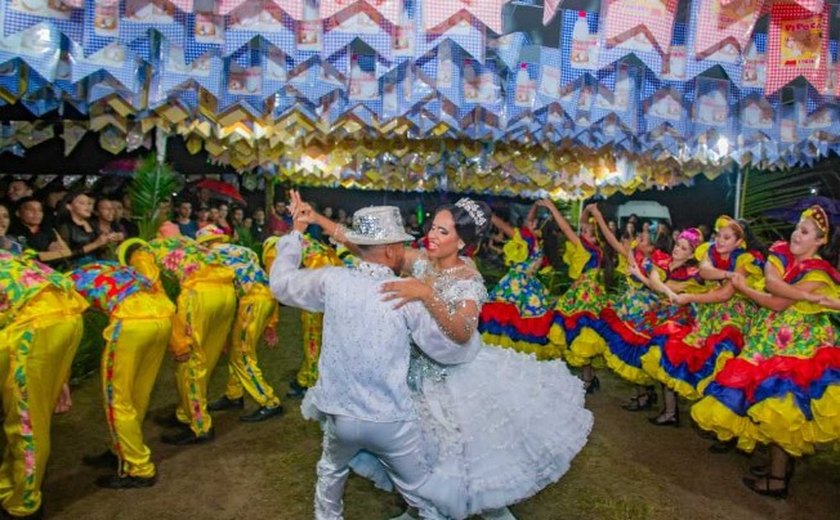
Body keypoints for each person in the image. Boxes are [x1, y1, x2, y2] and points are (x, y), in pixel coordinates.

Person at [295, 194, 593, 520]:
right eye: (433, 228)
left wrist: (427, 294)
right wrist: (316, 219)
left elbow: (463, 331)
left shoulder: (469, 278)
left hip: (453, 379)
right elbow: (367, 246)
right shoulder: (421, 261)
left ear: (461, 241)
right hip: (413, 375)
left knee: (468, 459)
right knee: (421, 454)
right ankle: (419, 510)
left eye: (442, 231)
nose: (432, 236)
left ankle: (489, 511)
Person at [270, 201, 474, 520]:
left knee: (331, 470)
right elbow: (445, 349)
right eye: (402, 244)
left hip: (340, 414)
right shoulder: (403, 295)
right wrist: (468, 347)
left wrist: (296, 233)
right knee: (420, 491)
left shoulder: (332, 281)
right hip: (390, 420)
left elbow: (281, 285)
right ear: (391, 251)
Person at [692, 206, 840, 498]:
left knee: (781, 407)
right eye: (797, 228)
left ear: (820, 241)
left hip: (795, 350)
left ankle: (777, 479)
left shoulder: (819, 274)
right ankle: (778, 467)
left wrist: (745, 288)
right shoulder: (786, 259)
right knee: (769, 403)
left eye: (805, 232)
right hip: (772, 341)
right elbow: (772, 284)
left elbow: (777, 302)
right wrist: (790, 283)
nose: (796, 234)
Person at [641, 215, 765, 427]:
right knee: (692, 358)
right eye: (719, 235)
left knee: (725, 365)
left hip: (734, 318)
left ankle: (729, 423)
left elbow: (725, 294)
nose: (720, 240)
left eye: (727, 237)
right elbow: (706, 272)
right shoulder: (709, 252)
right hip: (710, 315)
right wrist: (728, 274)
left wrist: (690, 297)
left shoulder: (747, 260)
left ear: (739, 242)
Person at [122, 229, 236, 445]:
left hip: (199, 295)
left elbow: (155, 290)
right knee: (207, 359)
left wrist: (177, 341)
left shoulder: (140, 255)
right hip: (226, 293)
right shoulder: (183, 241)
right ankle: (186, 412)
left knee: (190, 362)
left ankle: (200, 425)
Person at [70, 259, 175, 489]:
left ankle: (139, 468)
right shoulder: (115, 268)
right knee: (139, 392)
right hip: (162, 321)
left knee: (117, 400)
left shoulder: (69, 281)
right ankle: (121, 450)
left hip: (130, 326)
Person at [0, 250, 88, 518]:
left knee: (26, 424)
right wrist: (60, 377)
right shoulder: (7, 256)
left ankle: (24, 506)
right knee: (25, 416)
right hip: (61, 318)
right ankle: (8, 488)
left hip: (34, 327)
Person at [195, 225, 283, 422]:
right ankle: (234, 394)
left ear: (204, 244)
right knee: (238, 350)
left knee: (242, 354)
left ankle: (269, 402)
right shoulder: (243, 250)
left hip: (252, 302)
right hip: (264, 299)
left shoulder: (209, 257)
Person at [478, 202, 561, 359]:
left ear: (536, 226)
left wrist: (489, 214)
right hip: (526, 285)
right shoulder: (537, 243)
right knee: (520, 321)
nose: (530, 221)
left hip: (516, 284)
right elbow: (528, 220)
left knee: (508, 320)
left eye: (534, 221)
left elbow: (504, 226)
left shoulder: (528, 239)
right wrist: (536, 205)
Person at [545, 201, 609, 392]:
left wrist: (552, 207)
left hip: (583, 295)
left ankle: (587, 379)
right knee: (586, 333)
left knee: (579, 332)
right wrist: (588, 211)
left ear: (593, 237)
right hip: (591, 293)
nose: (582, 232)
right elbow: (583, 224)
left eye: (586, 231)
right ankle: (589, 376)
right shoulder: (596, 250)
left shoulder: (586, 247)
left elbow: (565, 228)